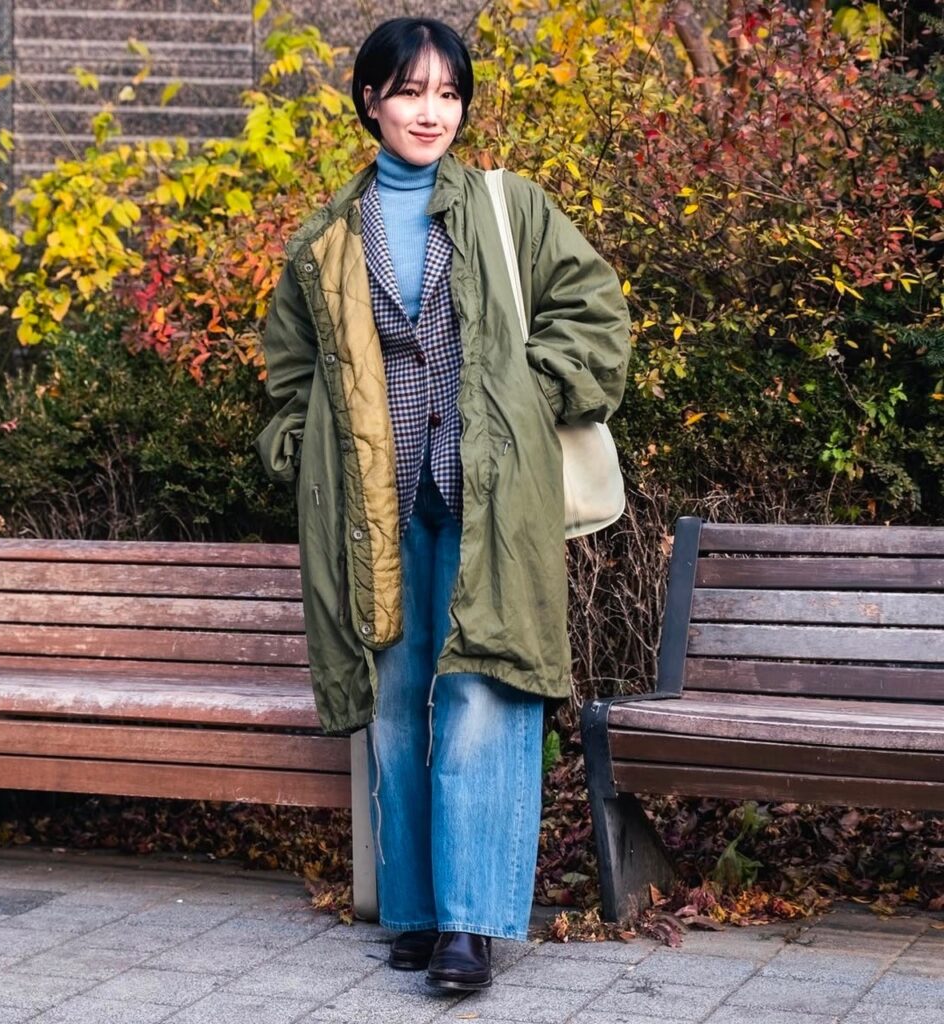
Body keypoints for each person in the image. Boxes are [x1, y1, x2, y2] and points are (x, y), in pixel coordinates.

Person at [258, 17, 630, 992]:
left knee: (480, 693)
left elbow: (593, 313)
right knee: (393, 700)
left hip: (488, 501)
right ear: (370, 101)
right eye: (410, 91)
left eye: (448, 94)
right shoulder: (327, 239)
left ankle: (470, 924)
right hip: (371, 508)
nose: (431, 111)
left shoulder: (512, 210)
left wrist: (527, 396)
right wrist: (302, 448)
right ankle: (418, 913)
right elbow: (289, 373)